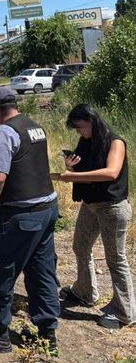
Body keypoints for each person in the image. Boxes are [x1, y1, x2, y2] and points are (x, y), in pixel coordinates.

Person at [0, 87, 59, 355]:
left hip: (20, 215)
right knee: (41, 272)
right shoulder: (34, 126)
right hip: (47, 209)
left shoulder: (4, 133)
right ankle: (47, 335)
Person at [57, 104, 135, 329]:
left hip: (112, 207)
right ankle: (85, 292)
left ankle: (125, 313)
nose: (78, 132)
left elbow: (111, 172)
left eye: (79, 127)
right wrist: (70, 168)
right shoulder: (86, 141)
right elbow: (81, 172)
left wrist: (72, 178)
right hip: (90, 205)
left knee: (116, 259)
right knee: (80, 246)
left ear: (91, 121)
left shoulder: (115, 141)